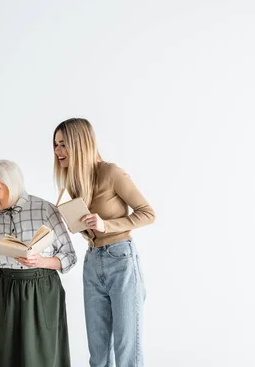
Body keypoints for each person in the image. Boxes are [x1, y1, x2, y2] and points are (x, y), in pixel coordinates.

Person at [52, 118, 156, 367]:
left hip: (121, 260)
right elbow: (90, 227)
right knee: (98, 351)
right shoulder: (75, 182)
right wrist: (79, 225)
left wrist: (106, 225)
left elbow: (147, 213)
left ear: (80, 143)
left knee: (126, 347)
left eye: (63, 144)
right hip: (92, 261)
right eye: (55, 145)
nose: (57, 152)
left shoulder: (111, 172)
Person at [0, 159, 77, 367]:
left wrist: (41, 261)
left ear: (11, 186)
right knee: (6, 354)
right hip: (6, 289)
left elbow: (69, 256)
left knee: (44, 354)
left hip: (43, 289)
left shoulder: (45, 209)